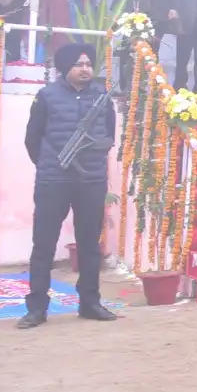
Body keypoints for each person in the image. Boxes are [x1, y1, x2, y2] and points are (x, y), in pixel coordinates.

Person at [16, 44, 120, 328]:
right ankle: (36, 309)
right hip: (54, 180)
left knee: (89, 244)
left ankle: (90, 303)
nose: (85, 68)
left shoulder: (102, 96)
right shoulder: (47, 96)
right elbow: (32, 139)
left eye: (88, 63)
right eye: (78, 64)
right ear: (65, 68)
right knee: (44, 245)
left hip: (91, 180)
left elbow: (108, 135)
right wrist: (49, 164)